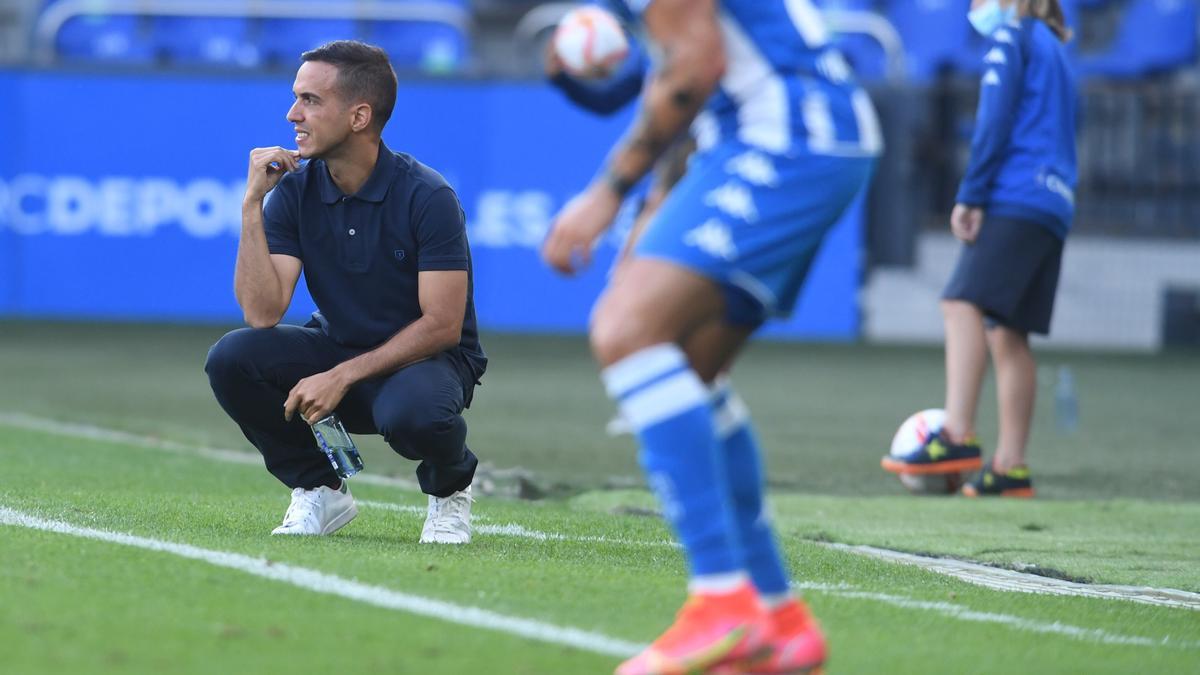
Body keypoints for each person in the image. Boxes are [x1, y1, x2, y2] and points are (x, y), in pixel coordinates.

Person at [541, 1, 880, 673]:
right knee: (693, 375)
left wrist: (606, 193)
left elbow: (693, 70)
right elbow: (699, 81)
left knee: (626, 330)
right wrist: (656, 206)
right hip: (793, 136)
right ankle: (780, 618)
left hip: (787, 136)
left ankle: (721, 599)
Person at [204, 41, 486, 543]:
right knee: (232, 358)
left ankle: (450, 488)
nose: (293, 114)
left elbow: (442, 325)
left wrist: (341, 375)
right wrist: (251, 205)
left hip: (428, 365)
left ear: (359, 116)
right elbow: (262, 311)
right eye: (296, 98)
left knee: (412, 416)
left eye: (310, 100)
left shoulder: (429, 196)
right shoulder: (292, 190)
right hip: (340, 350)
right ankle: (321, 489)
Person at [881, 0, 1077, 498]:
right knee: (1008, 333)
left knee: (960, 302)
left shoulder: (1012, 38)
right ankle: (1009, 469)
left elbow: (994, 121)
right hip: (1054, 201)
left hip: (1016, 193)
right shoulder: (1055, 48)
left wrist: (971, 194)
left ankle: (955, 435)